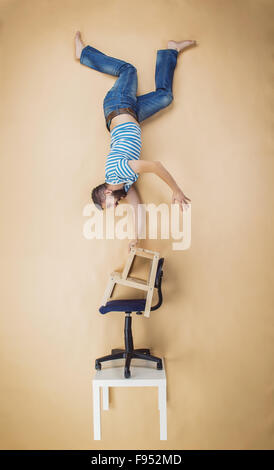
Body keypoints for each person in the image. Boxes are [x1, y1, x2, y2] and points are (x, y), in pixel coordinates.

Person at [75, 32, 196, 249]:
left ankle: (83, 54)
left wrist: (176, 190)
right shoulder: (126, 184)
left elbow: (156, 166)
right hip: (133, 114)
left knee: (128, 69)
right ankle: (171, 50)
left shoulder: (118, 169)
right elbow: (137, 208)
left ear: (108, 192)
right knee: (166, 97)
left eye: (109, 205)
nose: (115, 206)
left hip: (118, 104)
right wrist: (136, 238)